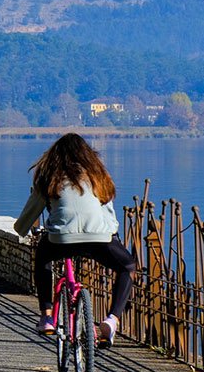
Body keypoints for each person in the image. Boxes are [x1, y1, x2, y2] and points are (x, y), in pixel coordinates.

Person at [13, 132, 136, 348]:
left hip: (60, 238)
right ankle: (112, 319)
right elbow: (108, 212)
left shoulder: (49, 176)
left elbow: (28, 216)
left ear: (55, 155)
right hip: (99, 237)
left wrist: (21, 228)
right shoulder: (97, 175)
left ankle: (47, 316)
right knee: (127, 266)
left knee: (43, 259)